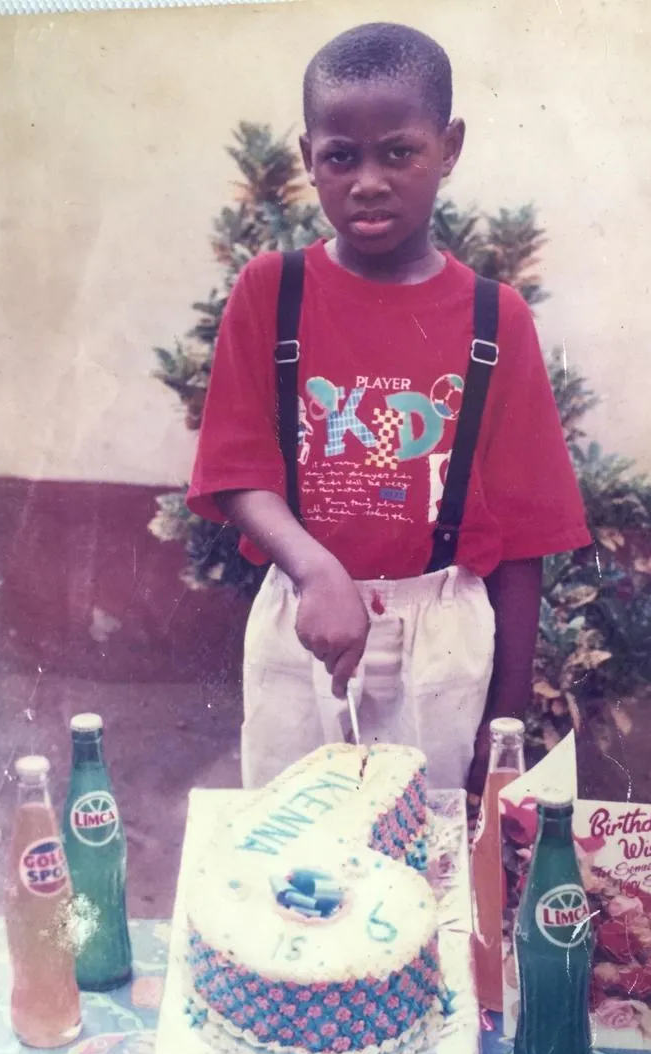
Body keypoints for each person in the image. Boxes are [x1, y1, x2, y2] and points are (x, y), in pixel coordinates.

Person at [187, 22, 591, 804]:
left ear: (449, 146)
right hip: (301, 621)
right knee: (284, 852)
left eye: (399, 152)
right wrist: (316, 569)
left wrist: (501, 734)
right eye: (341, 156)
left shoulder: (494, 319)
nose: (367, 180)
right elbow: (235, 472)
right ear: (309, 158)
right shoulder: (272, 292)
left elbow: (525, 542)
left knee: (424, 858)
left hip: (440, 637)